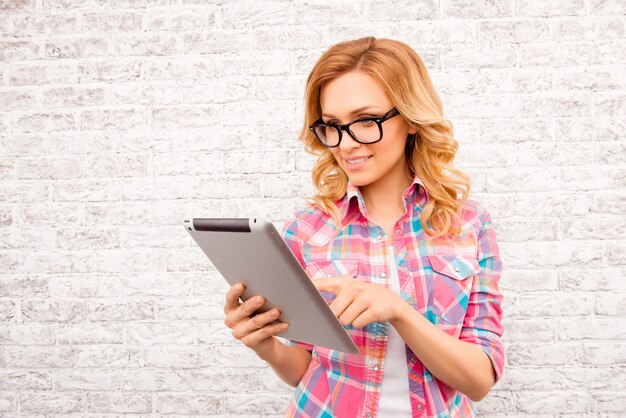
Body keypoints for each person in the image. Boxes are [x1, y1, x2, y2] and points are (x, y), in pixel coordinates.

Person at [223, 36, 505, 417]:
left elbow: (479, 380)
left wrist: (399, 311)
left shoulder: (469, 224)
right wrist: (267, 347)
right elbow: (305, 369)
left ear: (410, 118)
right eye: (333, 126)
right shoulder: (306, 231)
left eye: (366, 121)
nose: (346, 145)